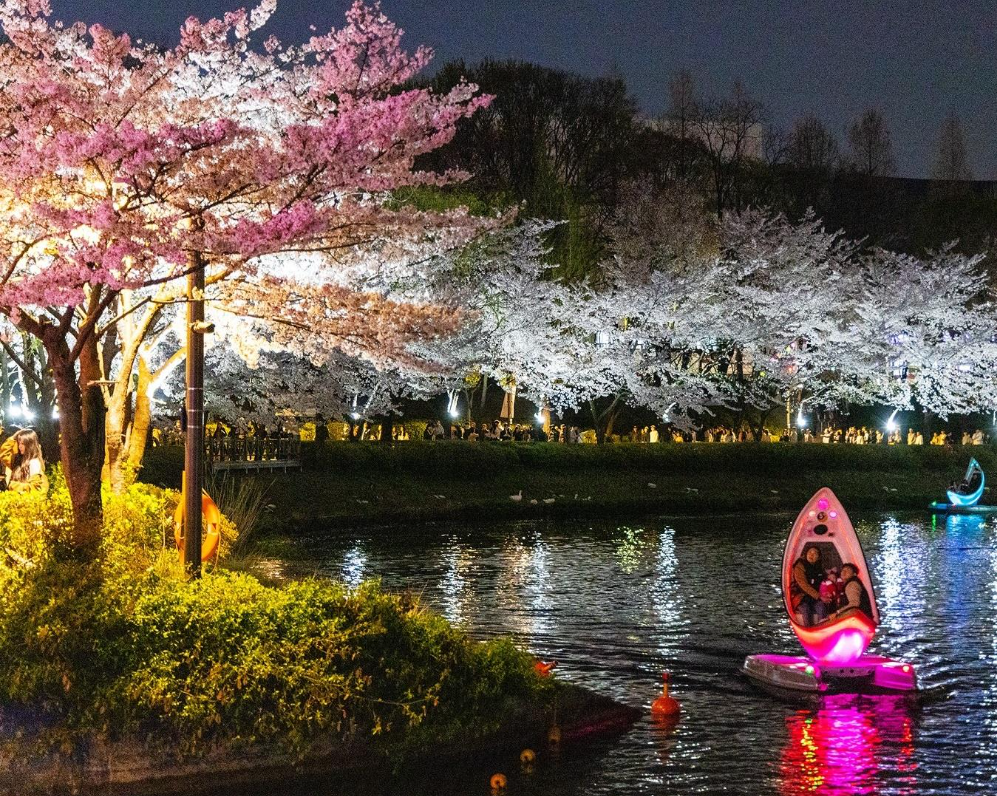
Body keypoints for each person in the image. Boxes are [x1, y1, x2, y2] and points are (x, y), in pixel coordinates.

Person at [789, 543, 824, 626]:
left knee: (821, 607)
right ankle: (808, 630)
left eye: (815, 553)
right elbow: (803, 584)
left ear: (818, 557)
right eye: (810, 552)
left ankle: (823, 629)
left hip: (814, 598)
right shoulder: (800, 566)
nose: (812, 555)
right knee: (805, 609)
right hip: (801, 597)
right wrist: (818, 596)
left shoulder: (819, 568)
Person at [5, 429, 47, 493]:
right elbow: (4, 454)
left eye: (23, 444)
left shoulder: (34, 462)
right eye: (19, 443)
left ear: (30, 445)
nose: (20, 446)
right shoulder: (20, 460)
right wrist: (13, 437)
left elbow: (34, 488)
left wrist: (13, 485)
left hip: (26, 501)